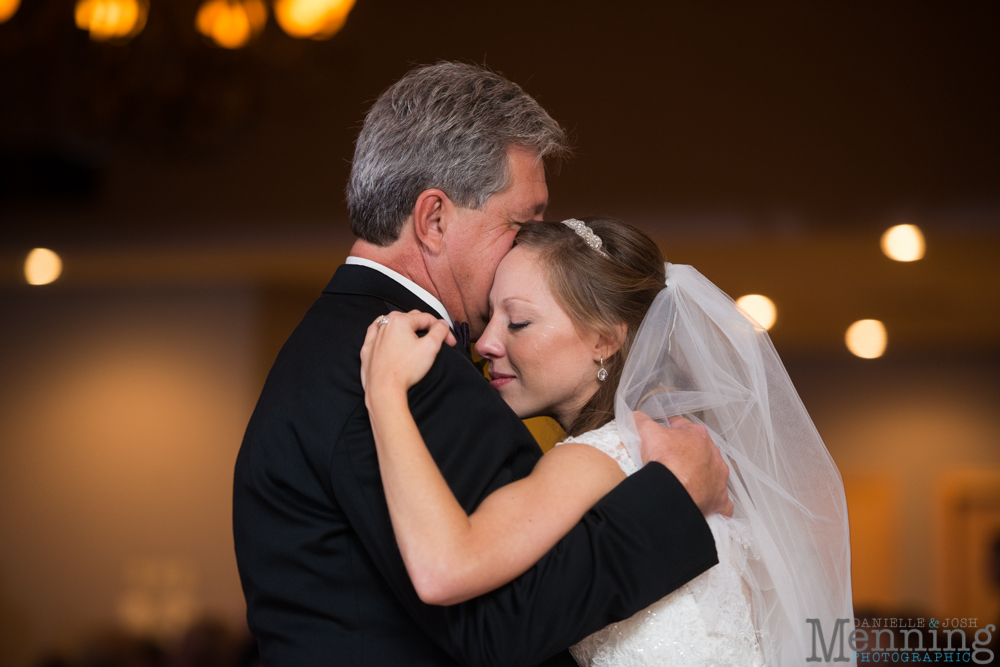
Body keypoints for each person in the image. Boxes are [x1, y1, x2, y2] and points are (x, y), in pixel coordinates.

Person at [232, 63, 732, 666]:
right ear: (434, 220)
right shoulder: (417, 360)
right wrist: (671, 502)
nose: (528, 249)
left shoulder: (331, 339)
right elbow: (499, 622)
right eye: (520, 224)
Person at [360, 218, 855, 666]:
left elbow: (445, 568)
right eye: (489, 317)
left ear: (603, 340)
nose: (486, 343)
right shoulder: (683, 450)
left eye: (518, 321)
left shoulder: (604, 456)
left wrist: (385, 392)